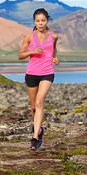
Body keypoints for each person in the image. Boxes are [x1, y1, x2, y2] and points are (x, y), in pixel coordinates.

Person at [18, 8, 60, 150]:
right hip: (31, 74)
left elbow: (53, 49)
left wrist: (55, 58)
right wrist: (32, 52)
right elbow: (20, 55)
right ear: (34, 22)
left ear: (47, 21)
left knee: (39, 102)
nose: (40, 23)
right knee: (33, 107)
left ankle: (35, 138)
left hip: (47, 73)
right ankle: (39, 129)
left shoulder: (53, 36)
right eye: (37, 21)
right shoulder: (30, 37)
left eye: (43, 20)